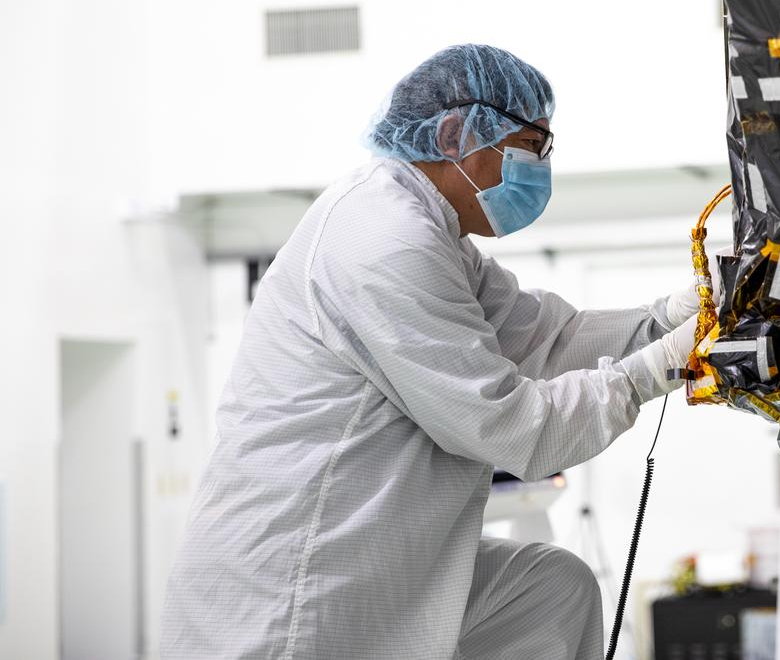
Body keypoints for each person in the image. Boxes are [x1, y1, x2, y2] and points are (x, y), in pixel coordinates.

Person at [160, 44, 706, 660]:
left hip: (375, 555)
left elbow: (547, 340)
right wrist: (659, 369)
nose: (540, 169)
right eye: (532, 147)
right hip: (298, 586)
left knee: (551, 590)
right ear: (453, 134)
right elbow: (509, 428)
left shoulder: (430, 232)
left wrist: (672, 316)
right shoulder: (383, 239)